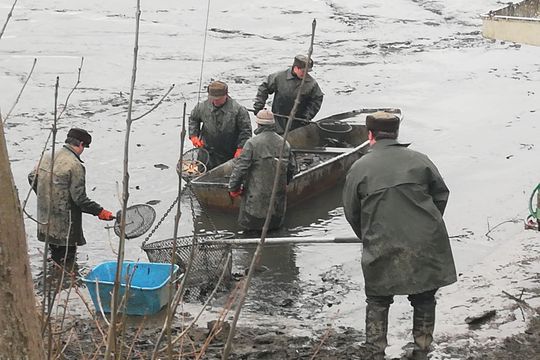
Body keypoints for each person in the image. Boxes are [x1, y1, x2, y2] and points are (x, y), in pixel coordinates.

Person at [342, 111, 457, 360]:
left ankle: (375, 351)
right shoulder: (420, 160)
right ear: (395, 133)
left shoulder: (359, 167)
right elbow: (441, 196)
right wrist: (424, 227)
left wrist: (369, 236)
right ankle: (422, 349)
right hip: (425, 241)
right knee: (425, 296)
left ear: (369, 135)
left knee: (377, 298)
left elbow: (351, 212)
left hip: (381, 243)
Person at [28, 128, 114, 266]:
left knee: (55, 256)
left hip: (46, 221)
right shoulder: (75, 165)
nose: (83, 150)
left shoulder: (47, 156)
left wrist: (45, 196)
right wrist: (100, 211)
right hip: (65, 227)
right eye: (84, 146)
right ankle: (66, 284)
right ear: (80, 144)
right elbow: (80, 199)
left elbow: (32, 177)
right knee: (67, 262)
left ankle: (54, 281)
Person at [228, 109, 295, 231]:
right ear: (273, 124)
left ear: (258, 124)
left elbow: (240, 169)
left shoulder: (252, 144)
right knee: (275, 233)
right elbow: (291, 169)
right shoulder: (284, 143)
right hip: (277, 205)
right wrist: (285, 183)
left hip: (254, 206)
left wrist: (233, 188)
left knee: (250, 236)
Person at [189, 81, 252, 170]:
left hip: (229, 152)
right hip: (207, 152)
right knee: (202, 176)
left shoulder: (238, 110)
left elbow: (246, 131)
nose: (215, 101)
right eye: (212, 98)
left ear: (226, 95)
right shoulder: (201, 107)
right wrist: (193, 135)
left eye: (218, 99)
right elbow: (193, 119)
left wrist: (241, 148)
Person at [253, 54, 324, 133]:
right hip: (278, 120)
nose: (305, 74)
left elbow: (317, 99)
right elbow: (264, 88)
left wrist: (307, 116)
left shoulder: (311, 84)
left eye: (307, 71)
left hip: (298, 123)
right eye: (303, 71)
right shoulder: (279, 77)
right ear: (296, 68)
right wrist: (259, 106)